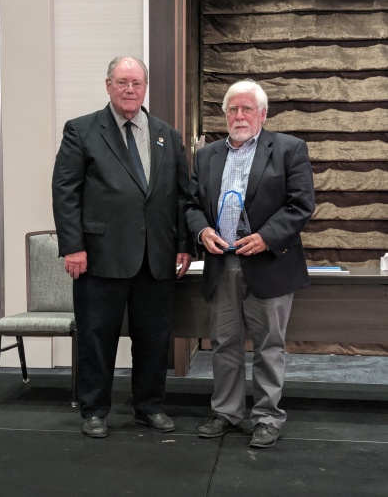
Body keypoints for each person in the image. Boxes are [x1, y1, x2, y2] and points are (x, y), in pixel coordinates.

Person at [52, 56, 194, 438]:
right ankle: (94, 410)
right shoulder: (81, 130)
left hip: (156, 257)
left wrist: (184, 245)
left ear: (145, 88)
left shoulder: (168, 135)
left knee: (154, 338)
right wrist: (73, 247)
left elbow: (182, 195)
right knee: (97, 337)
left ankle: (149, 406)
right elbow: (65, 192)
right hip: (100, 256)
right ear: (108, 85)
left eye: (136, 83)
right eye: (122, 82)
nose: (130, 89)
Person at [186, 79, 315, 448]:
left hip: (270, 264)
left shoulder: (289, 149)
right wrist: (202, 231)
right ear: (225, 114)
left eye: (246, 109)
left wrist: (266, 237)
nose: (239, 116)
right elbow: (191, 205)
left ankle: (267, 418)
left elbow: (301, 204)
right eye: (232, 109)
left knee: (269, 345)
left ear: (263, 114)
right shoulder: (207, 156)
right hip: (221, 264)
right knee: (223, 342)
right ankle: (226, 412)